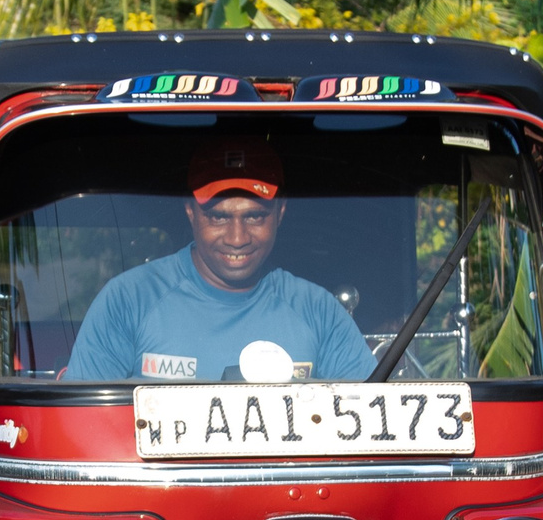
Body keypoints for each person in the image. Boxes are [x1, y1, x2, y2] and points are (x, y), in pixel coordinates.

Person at [64, 136, 376, 382]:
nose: (237, 238)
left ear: (280, 213)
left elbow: (372, 428)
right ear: (190, 212)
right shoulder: (128, 302)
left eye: (254, 217)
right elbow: (81, 431)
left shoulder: (320, 313)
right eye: (218, 218)